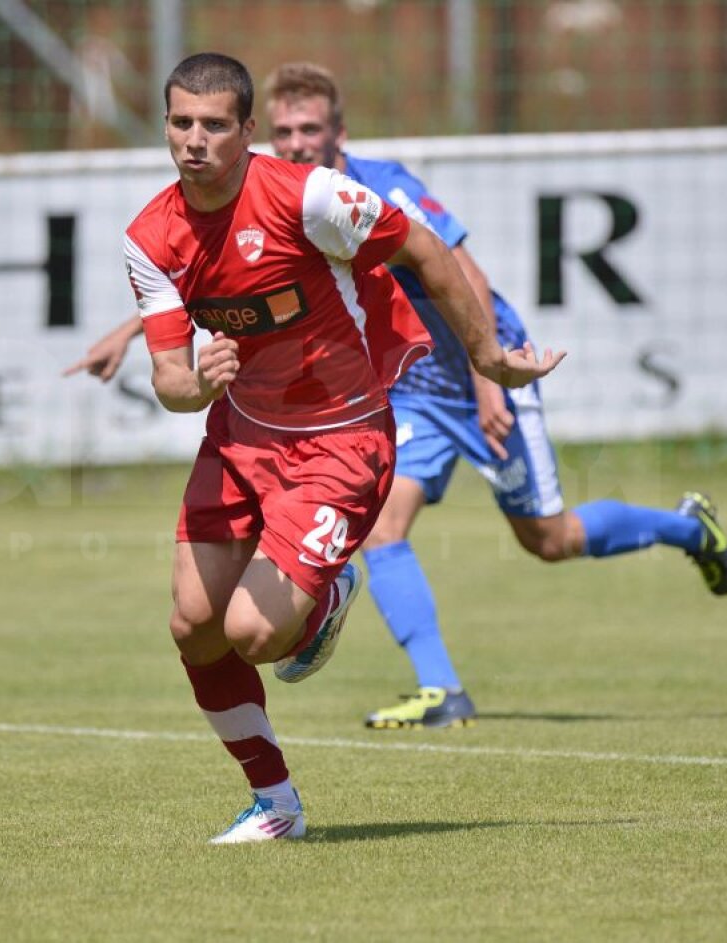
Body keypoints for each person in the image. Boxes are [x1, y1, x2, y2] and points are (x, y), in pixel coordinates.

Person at [69, 61, 727, 736]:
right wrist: (133, 331)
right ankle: (439, 686)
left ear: (340, 132)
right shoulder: (256, 196)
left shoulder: (368, 188)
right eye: (286, 131)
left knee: (547, 536)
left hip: (479, 373)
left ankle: (688, 527)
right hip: (406, 385)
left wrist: (485, 378)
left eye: (311, 129)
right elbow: (215, 278)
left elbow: (461, 269)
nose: (297, 142)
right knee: (384, 527)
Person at [118, 52, 561, 845]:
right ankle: (276, 803)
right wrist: (201, 382)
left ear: (246, 131)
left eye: (214, 124)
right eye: (181, 121)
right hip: (241, 434)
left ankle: (327, 597)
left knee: (256, 633)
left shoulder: (308, 197)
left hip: (340, 438)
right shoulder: (151, 237)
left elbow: (426, 248)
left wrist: (488, 356)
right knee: (194, 625)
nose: (194, 140)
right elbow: (170, 382)